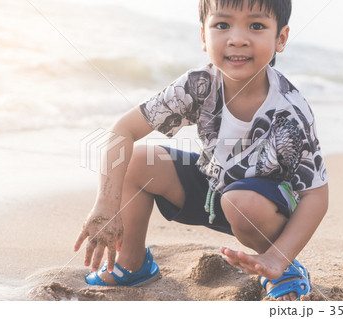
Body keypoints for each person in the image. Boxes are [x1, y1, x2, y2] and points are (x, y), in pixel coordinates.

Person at [74, 0, 329, 301]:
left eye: (256, 26)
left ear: (281, 39)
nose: (237, 38)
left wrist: (278, 257)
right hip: (212, 190)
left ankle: (283, 268)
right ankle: (132, 263)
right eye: (222, 25)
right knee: (138, 161)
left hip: (264, 210)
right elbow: (123, 130)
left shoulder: (290, 110)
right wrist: (106, 205)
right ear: (203, 37)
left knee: (241, 202)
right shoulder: (199, 85)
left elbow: (316, 196)